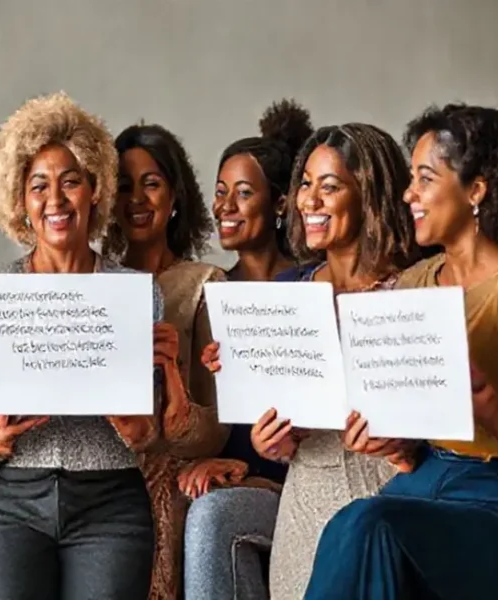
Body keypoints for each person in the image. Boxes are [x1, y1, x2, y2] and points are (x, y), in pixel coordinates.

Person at [0, 92, 182, 600]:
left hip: (111, 502)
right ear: (20, 200)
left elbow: (152, 433)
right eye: (38, 186)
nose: (55, 200)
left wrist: (142, 429)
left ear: (95, 190)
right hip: (4, 501)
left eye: (70, 181)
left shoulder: (137, 295)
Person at [202, 122, 421, 600]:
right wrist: (268, 439)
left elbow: (438, 425)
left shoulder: (413, 291)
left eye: (330, 186)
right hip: (304, 499)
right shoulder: (286, 293)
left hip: (384, 494)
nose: (310, 201)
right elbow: (277, 442)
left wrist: (405, 442)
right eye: (305, 184)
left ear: (371, 195)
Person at [304, 104, 498, 600]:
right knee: (353, 525)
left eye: (425, 178)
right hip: (427, 475)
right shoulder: (415, 284)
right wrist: (388, 438)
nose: (407, 194)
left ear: (475, 190)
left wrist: (489, 406)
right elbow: (409, 430)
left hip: (496, 493)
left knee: (372, 524)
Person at [181, 99, 313, 600]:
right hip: (232, 473)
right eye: (220, 194)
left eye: (242, 193)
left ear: (280, 204)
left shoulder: (311, 287)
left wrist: (256, 476)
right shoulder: (210, 292)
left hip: (292, 476)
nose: (225, 208)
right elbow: (210, 425)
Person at [102, 122, 232, 600]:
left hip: (164, 479)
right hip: (91, 473)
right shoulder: (89, 284)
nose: (136, 197)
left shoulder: (205, 284)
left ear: (175, 196)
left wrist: (173, 373)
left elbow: (215, 428)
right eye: (123, 185)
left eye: (151, 183)